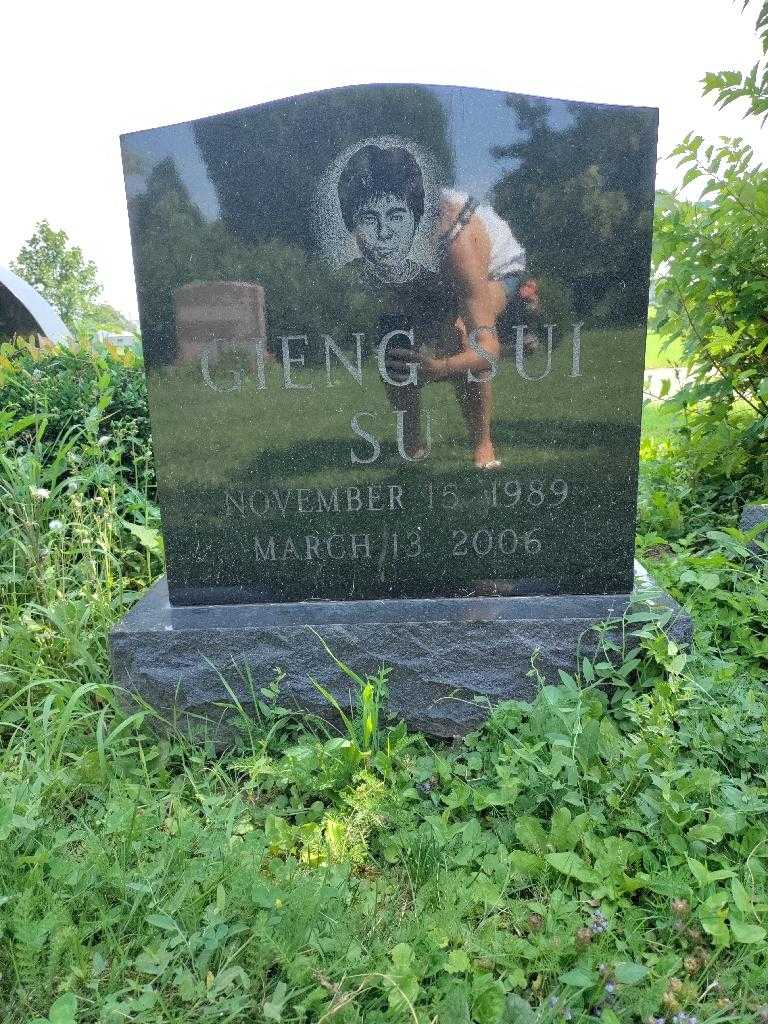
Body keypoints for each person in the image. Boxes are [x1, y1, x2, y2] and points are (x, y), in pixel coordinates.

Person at [337, 143, 539, 466]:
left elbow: (487, 348)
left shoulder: (457, 239)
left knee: (459, 335)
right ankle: (413, 447)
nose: (375, 235)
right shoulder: (375, 230)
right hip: (434, 269)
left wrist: (440, 368)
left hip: (498, 268)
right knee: (395, 340)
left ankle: (483, 448)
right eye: (365, 222)